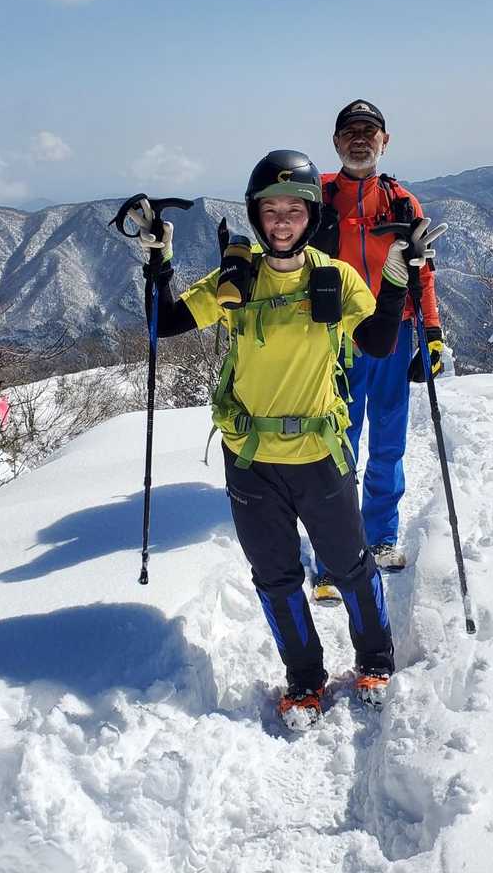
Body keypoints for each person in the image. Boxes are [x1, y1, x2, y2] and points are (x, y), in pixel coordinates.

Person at [125, 149, 439, 728]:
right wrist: (159, 261)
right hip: (251, 460)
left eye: (295, 209)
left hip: (319, 453)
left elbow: (376, 342)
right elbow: (164, 325)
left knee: (350, 567)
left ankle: (375, 659)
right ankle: (304, 679)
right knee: (275, 578)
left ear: (311, 215)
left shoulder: (335, 277)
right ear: (256, 215)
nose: (282, 221)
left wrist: (397, 277)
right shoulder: (236, 280)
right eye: (271, 210)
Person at [310, 99, 444, 601]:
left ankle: (381, 536)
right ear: (336, 142)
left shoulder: (403, 204)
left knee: (388, 442)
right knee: (336, 444)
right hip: (336, 337)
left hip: (394, 330)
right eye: (351, 132)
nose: (360, 139)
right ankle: (335, 553)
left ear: (385, 141)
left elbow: (422, 274)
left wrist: (432, 332)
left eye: (370, 132)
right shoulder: (319, 197)